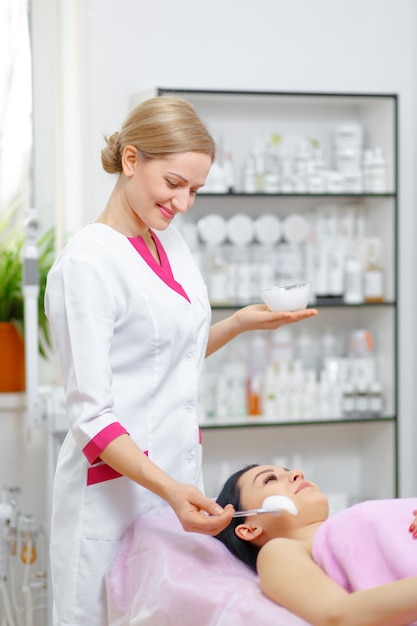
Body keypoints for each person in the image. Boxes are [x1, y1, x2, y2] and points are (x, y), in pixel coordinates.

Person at [44, 95, 318, 626]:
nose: (184, 202)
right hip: (114, 498)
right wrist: (170, 490)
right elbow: (92, 415)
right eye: (174, 183)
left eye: (195, 189)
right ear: (130, 160)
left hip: (169, 487)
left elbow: (168, 357)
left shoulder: (170, 242)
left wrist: (238, 323)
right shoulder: (87, 264)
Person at [215, 463, 417, 626]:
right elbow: (339, 615)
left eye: (288, 471)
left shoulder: (344, 526)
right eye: (270, 479)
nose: (297, 473)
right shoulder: (279, 552)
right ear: (249, 529)